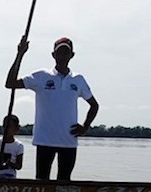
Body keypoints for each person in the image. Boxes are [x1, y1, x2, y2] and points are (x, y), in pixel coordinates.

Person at [5, 36, 99, 181]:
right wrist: (20, 54)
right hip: (45, 140)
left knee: (64, 180)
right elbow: (10, 83)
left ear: (72, 55)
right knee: (41, 180)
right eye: (59, 53)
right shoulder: (41, 76)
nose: (62, 56)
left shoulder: (78, 79)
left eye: (66, 53)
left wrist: (85, 127)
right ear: (53, 55)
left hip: (68, 141)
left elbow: (94, 105)